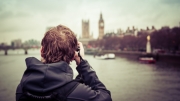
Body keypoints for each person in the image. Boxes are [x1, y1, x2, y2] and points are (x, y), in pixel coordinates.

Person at [16, 25, 112, 101]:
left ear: (41, 51)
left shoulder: (21, 88)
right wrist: (81, 62)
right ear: (72, 56)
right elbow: (105, 97)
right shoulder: (79, 93)